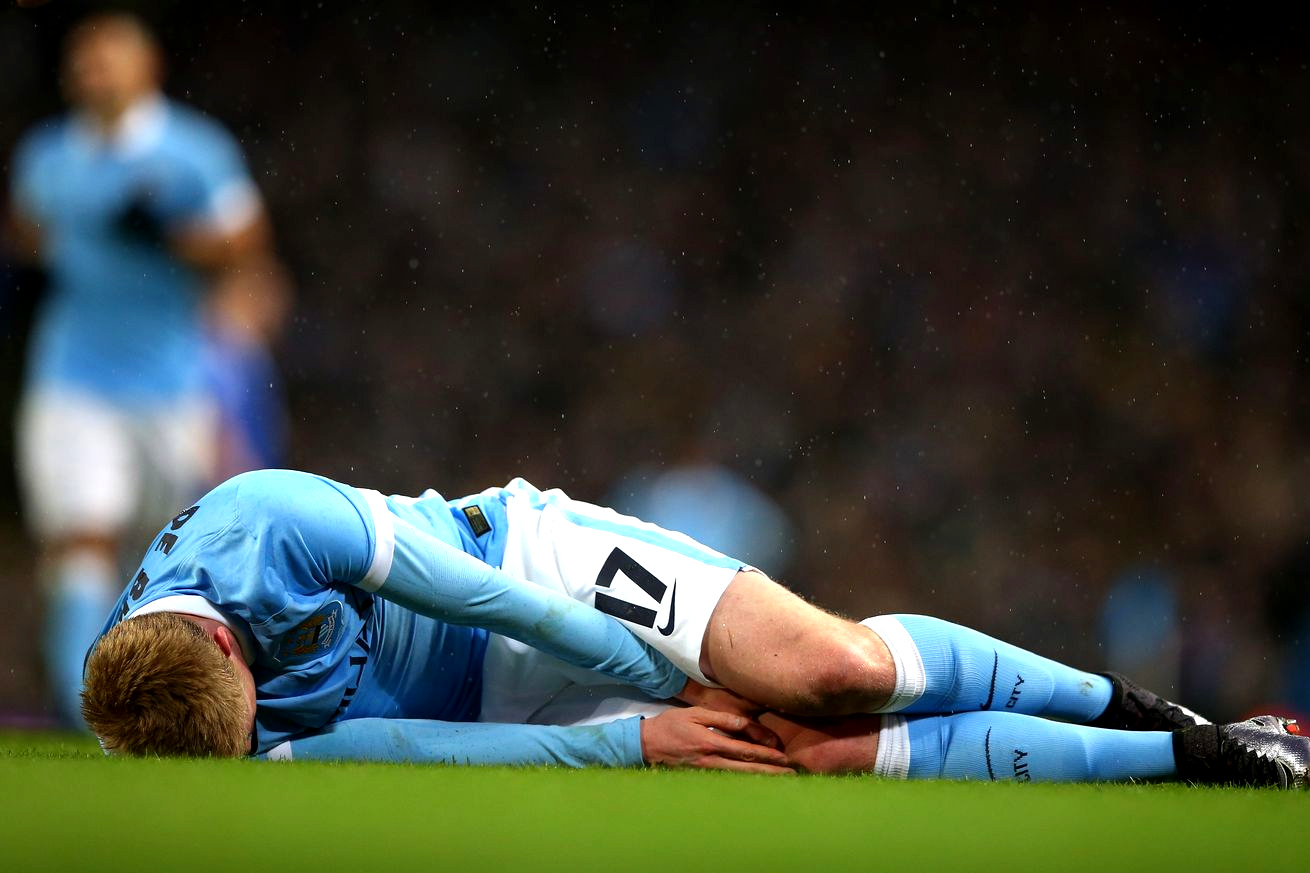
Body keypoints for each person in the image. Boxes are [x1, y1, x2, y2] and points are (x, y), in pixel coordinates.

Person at [81, 468, 1310, 787]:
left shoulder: (271, 524)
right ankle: (1206, 758)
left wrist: (653, 681)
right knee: (806, 754)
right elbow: (411, 749)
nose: (265, 732)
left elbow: (487, 600)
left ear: (225, 642)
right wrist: (632, 744)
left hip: (527, 565)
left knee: (832, 672)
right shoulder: (178, 721)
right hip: (481, 708)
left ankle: (1143, 708)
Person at [6, 12, 278, 725]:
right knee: (82, 532)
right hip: (72, 373)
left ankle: (148, 693)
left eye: (107, 60)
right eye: (83, 62)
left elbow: (244, 241)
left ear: (146, 69)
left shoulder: (195, 152)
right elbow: (28, 233)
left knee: (155, 546)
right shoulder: (48, 155)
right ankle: (82, 704)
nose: (93, 73)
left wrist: (167, 238)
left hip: (169, 379)